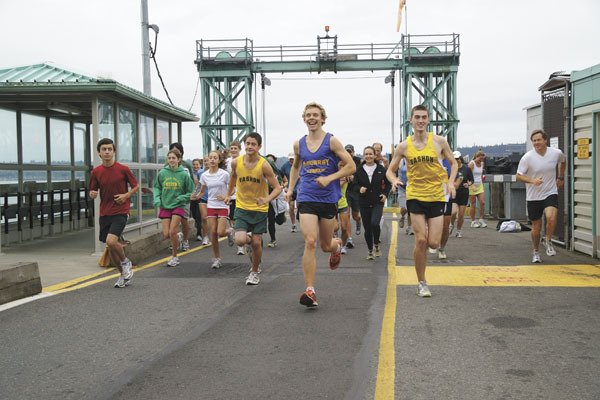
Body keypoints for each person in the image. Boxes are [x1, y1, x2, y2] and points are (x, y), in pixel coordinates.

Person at [286, 102, 356, 307]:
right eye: (308, 115)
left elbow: (351, 166)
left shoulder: (332, 141)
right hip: (306, 196)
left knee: (326, 245)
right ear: (304, 119)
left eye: (316, 115)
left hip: (327, 198)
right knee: (310, 241)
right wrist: (291, 189)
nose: (312, 118)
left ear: (323, 119)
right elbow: (296, 167)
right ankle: (310, 290)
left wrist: (330, 178)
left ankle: (337, 246)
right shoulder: (299, 144)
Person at [386, 104, 457, 298]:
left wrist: (451, 182)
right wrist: (394, 180)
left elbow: (454, 162)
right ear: (411, 120)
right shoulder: (404, 146)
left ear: (428, 120)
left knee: (433, 243)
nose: (420, 121)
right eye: (417, 117)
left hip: (436, 195)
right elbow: (390, 170)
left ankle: (436, 238)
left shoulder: (439, 141)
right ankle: (422, 282)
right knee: (421, 239)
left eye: (424, 117)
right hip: (415, 195)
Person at [224, 132, 282, 285]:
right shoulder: (236, 162)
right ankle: (245, 239)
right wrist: (228, 194)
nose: (250, 146)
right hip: (242, 207)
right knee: (240, 240)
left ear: (259, 147)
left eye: (253, 144)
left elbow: (277, 188)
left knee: (257, 243)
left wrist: (267, 199)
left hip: (259, 209)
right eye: (247, 143)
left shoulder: (264, 165)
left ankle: (254, 272)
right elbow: (233, 179)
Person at [89, 138, 139, 288]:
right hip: (105, 212)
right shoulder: (96, 172)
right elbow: (93, 190)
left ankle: (126, 262)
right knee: (110, 247)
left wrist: (125, 196)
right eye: (104, 149)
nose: (107, 152)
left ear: (114, 151)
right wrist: (92, 194)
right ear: (99, 153)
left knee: (111, 241)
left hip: (121, 211)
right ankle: (123, 275)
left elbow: (136, 187)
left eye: (110, 149)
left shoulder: (123, 169)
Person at [516, 129, 566, 263]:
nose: (536, 143)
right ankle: (536, 251)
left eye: (539, 140)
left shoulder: (555, 153)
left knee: (551, 217)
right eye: (534, 141)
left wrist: (561, 177)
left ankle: (548, 241)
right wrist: (532, 181)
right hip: (533, 196)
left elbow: (563, 161)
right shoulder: (527, 157)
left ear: (545, 140)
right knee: (536, 228)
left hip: (550, 192)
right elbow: (518, 176)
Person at [153, 148, 195, 267]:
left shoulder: (183, 174)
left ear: (179, 160)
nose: (171, 160)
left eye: (174, 158)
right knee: (167, 234)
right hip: (165, 204)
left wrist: (182, 198)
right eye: (169, 158)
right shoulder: (162, 173)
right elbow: (157, 187)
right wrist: (157, 199)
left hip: (178, 205)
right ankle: (178, 236)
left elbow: (191, 191)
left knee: (172, 231)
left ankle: (174, 257)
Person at [193, 150, 234, 269]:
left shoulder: (224, 174)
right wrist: (195, 196)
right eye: (210, 158)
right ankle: (217, 259)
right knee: (213, 233)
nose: (212, 160)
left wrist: (227, 196)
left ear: (219, 160)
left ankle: (229, 231)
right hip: (211, 205)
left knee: (221, 232)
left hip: (222, 206)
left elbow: (233, 189)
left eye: (215, 158)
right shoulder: (204, 175)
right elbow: (201, 191)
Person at [357, 146, 391, 260]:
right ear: (363, 156)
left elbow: (388, 184)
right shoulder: (359, 169)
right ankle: (370, 250)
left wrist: (385, 194)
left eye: (370, 154)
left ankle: (376, 244)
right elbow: (353, 185)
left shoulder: (381, 168)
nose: (368, 156)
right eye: (366, 154)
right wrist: (359, 188)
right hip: (364, 202)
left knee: (375, 224)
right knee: (367, 228)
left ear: (374, 155)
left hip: (377, 201)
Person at [169, 142, 196, 251]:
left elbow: (191, 182)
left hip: (184, 198)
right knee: (172, 222)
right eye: (172, 150)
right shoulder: (167, 166)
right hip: (171, 198)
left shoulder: (186, 165)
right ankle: (175, 239)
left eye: (177, 151)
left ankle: (185, 240)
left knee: (184, 220)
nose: (175, 153)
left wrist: (189, 195)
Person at [225, 140, 246, 255]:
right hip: (231, 195)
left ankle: (240, 246)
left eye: (235, 148)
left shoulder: (243, 160)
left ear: (239, 149)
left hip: (241, 193)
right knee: (233, 219)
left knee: (240, 219)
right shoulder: (226, 162)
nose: (233, 150)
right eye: (231, 148)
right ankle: (232, 233)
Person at [450, 151, 473, 238]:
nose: (457, 160)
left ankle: (458, 230)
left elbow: (471, 180)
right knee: (453, 212)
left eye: (458, 159)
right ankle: (451, 224)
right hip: (454, 192)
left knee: (461, 214)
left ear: (461, 159)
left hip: (464, 192)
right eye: (455, 159)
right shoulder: (452, 168)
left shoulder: (467, 169)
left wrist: (469, 184)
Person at [344, 144, 363, 245]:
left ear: (353, 152)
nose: (348, 154)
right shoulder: (341, 160)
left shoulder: (358, 161)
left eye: (350, 152)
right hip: (345, 191)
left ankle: (358, 221)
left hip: (355, 191)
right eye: (346, 152)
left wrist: (353, 177)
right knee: (346, 215)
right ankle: (349, 238)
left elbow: (362, 174)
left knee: (355, 215)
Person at [265, 153, 284, 247]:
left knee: (279, 221)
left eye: (271, 161)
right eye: (267, 161)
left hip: (276, 198)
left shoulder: (277, 172)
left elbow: (282, 183)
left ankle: (282, 217)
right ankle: (273, 239)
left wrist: (281, 186)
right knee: (270, 219)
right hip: (265, 199)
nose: (269, 162)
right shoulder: (261, 171)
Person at [334, 165, 351, 254]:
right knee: (335, 228)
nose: (341, 167)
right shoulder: (332, 174)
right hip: (332, 203)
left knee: (344, 228)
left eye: (343, 165)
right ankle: (335, 242)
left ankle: (343, 246)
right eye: (340, 165)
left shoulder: (346, 176)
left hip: (343, 203)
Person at [279, 152, 299, 233]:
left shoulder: (300, 164)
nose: (291, 160)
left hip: (300, 189)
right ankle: (294, 224)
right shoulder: (285, 166)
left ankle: (299, 216)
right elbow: (280, 177)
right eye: (290, 159)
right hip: (290, 189)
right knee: (291, 207)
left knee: (299, 206)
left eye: (293, 159)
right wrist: (285, 186)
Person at [469, 150, 487, 228]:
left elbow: (481, 175)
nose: (481, 160)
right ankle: (473, 221)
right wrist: (471, 185)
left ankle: (481, 219)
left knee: (482, 202)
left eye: (482, 159)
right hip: (472, 185)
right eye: (480, 159)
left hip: (479, 185)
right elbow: (467, 175)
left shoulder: (482, 164)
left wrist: (482, 185)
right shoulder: (471, 164)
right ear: (476, 157)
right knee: (473, 204)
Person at [191, 158, 206, 241]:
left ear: (200, 165)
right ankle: (198, 224)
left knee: (198, 215)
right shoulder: (191, 173)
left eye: (197, 164)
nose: (195, 166)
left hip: (200, 197)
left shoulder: (202, 173)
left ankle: (199, 234)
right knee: (194, 215)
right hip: (192, 197)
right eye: (194, 164)